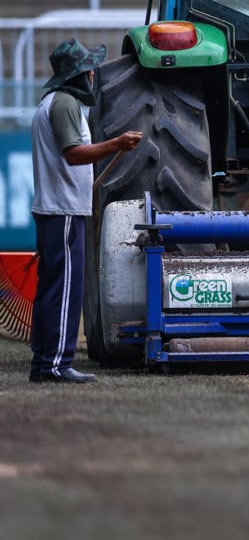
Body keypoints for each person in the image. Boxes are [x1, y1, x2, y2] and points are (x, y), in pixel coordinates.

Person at [29, 39, 142, 383]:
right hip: (62, 212)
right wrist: (117, 144)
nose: (93, 74)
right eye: (88, 70)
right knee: (65, 289)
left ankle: (44, 361)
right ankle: (56, 364)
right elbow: (73, 153)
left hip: (59, 210)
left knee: (53, 286)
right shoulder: (64, 104)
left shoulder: (55, 102)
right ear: (76, 76)